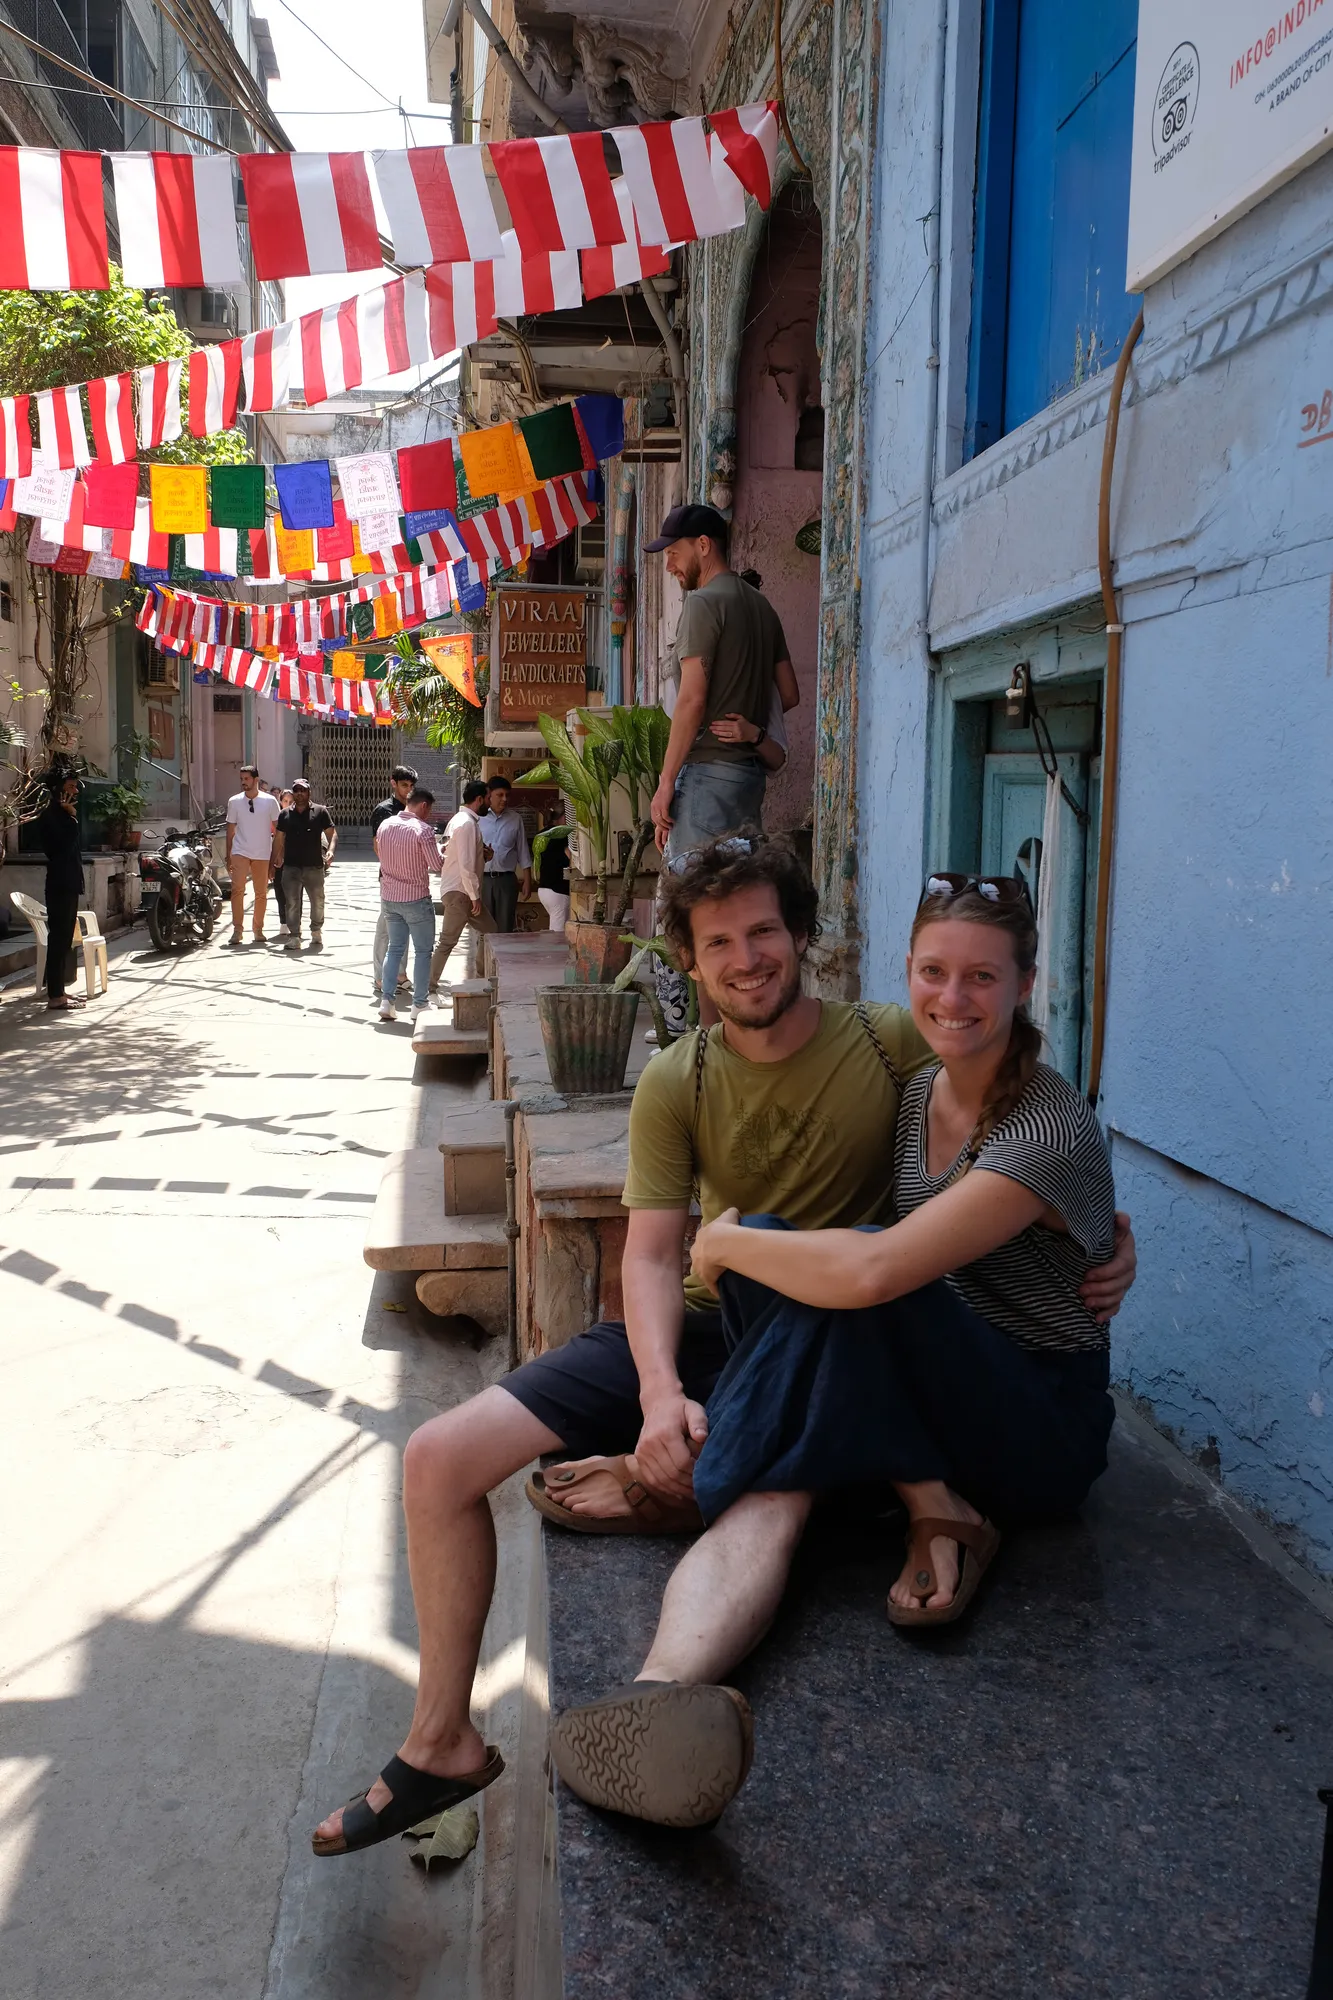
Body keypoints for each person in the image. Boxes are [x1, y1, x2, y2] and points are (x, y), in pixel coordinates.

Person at [308, 838, 1136, 1857]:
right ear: (689, 963)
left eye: (764, 932)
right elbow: (654, 1257)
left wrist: (1105, 1237)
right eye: (719, 943)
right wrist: (660, 1397)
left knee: (792, 1413)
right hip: (764, 1328)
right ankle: (442, 1739)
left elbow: (959, 1213)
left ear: (802, 938)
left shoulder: (895, 1049)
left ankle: (685, 1556)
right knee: (438, 1455)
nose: (746, 959)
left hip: (892, 1344)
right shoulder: (746, 1081)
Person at [547, 866, 1123, 1826]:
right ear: (907, 972)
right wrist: (755, 1245)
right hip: (928, 1387)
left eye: (982, 977)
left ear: (1027, 985)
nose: (952, 998)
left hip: (1034, 1430)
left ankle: (696, 1471)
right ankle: (655, 1696)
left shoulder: (1045, 1126)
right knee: (798, 1265)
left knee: (835, 1262)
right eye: (933, 972)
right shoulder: (918, 1088)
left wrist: (722, 1244)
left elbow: (877, 1270)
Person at [644, 507, 799, 862]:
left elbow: (692, 701)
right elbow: (789, 694)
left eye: (673, 553)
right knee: (737, 888)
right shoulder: (763, 608)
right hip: (748, 780)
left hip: (707, 780)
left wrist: (665, 784)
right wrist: (748, 724)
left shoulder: (702, 604)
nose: (669, 566)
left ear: (703, 545)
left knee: (695, 892)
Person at [374, 785, 442, 1024]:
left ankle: (387, 1001)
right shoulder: (423, 830)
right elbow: (437, 865)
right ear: (423, 806)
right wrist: (446, 852)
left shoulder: (385, 825)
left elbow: (381, 855)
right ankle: (419, 1004)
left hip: (390, 897)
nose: (428, 815)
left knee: (394, 949)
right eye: (429, 810)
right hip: (416, 899)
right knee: (423, 952)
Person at [428, 780, 497, 993]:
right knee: (448, 941)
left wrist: (483, 855)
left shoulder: (460, 820)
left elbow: (458, 855)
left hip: (458, 890)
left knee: (490, 931)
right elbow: (465, 865)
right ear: (479, 799)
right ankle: (427, 985)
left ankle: (482, 977)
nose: (490, 803)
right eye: (488, 798)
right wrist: (474, 896)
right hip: (461, 892)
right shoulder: (466, 824)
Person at [36, 769, 84, 1012]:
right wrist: (72, 819)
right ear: (58, 790)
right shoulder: (51, 815)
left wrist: (71, 817)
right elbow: (61, 848)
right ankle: (55, 996)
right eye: (70, 786)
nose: (75, 791)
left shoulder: (63, 814)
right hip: (60, 883)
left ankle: (60, 991)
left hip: (69, 882)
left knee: (65, 940)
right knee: (58, 939)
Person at [370, 765, 418, 998]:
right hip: (390, 877)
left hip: (410, 877)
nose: (408, 790)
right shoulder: (384, 810)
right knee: (386, 926)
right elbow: (378, 846)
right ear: (393, 783)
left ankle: (400, 973)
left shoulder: (413, 809)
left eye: (411, 786)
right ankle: (380, 975)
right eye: (404, 785)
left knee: (405, 924)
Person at [272, 779, 336, 951]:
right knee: (291, 903)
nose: (299, 793)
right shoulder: (285, 814)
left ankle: (316, 930)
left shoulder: (320, 812)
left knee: (317, 901)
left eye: (303, 790)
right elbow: (278, 839)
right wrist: (273, 862)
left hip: (314, 866)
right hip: (291, 867)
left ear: (309, 792)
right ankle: (294, 936)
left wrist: (331, 850)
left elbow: (332, 833)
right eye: (296, 790)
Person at [224, 765, 281, 946]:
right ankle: (237, 930)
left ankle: (258, 929)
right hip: (240, 851)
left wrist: (277, 854)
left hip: (262, 853)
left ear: (256, 780)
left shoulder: (270, 801)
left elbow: (278, 829)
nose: (243, 782)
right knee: (237, 890)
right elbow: (230, 830)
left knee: (261, 893)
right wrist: (228, 855)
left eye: (247, 779)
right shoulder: (234, 801)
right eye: (241, 779)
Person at [477, 777, 532, 932]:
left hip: (506, 880)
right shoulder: (478, 818)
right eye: (500, 795)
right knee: (484, 927)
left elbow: (523, 851)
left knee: (505, 927)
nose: (504, 799)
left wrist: (527, 881)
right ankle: (484, 950)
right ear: (489, 795)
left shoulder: (515, 819)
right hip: (483, 879)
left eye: (507, 795)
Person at [535, 810, 571, 932]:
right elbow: (570, 856)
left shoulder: (542, 834)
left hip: (544, 889)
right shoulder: (562, 836)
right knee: (558, 932)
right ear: (564, 817)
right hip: (558, 890)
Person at [272, 788, 295, 935]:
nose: (288, 804)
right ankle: (283, 921)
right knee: (279, 891)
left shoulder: (299, 817)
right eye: (285, 801)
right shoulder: (276, 818)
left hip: (295, 859)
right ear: (280, 802)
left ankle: (295, 922)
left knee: (295, 892)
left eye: (291, 801)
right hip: (279, 860)